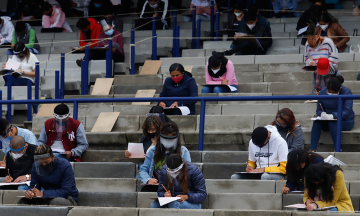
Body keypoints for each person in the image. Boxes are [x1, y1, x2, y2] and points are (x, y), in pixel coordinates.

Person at [138, 123, 191, 192]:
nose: (168, 142)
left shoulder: (183, 151)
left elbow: (188, 170)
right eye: (166, 139)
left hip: (175, 186)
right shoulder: (152, 151)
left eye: (171, 140)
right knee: (144, 191)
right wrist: (148, 180)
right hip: (156, 185)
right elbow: (143, 169)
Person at [310, 77, 354, 151]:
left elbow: (347, 111)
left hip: (345, 120)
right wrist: (321, 114)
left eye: (333, 93)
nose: (331, 94)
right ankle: (312, 150)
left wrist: (333, 116)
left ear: (340, 88)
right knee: (317, 123)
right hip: (327, 119)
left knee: (332, 123)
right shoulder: (323, 92)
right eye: (329, 92)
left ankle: (338, 149)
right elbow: (319, 109)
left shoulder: (346, 92)